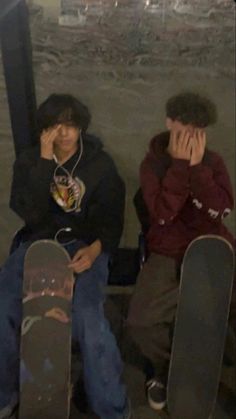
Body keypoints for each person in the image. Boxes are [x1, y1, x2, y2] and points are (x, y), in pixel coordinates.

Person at [0, 93, 131, 419]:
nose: (63, 133)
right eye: (56, 126)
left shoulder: (99, 164)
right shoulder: (30, 160)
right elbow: (29, 214)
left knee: (88, 315)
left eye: (70, 125)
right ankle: (6, 392)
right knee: (2, 305)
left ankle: (112, 407)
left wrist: (96, 250)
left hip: (85, 246)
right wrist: (45, 161)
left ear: (80, 127)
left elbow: (113, 219)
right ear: (46, 130)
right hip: (37, 244)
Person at [127, 91, 235, 411]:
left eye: (198, 130)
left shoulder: (213, 162)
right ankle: (167, 369)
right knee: (141, 323)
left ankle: (208, 363)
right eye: (184, 128)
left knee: (218, 313)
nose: (191, 137)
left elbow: (221, 210)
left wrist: (199, 169)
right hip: (168, 252)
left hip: (212, 250)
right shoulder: (153, 164)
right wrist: (179, 166)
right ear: (169, 123)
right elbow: (161, 214)